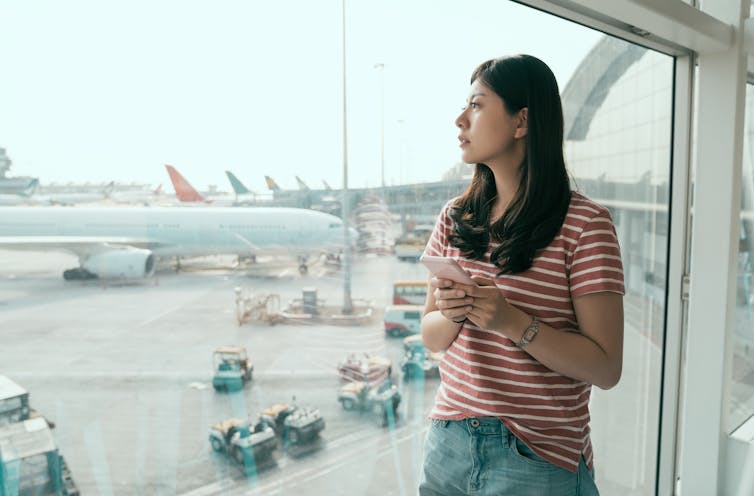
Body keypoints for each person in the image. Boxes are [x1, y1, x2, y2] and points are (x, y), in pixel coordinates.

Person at [419, 54, 625, 496]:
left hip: (534, 454)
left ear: (522, 121)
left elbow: (606, 367)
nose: (460, 120)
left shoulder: (586, 225)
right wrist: (455, 313)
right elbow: (432, 338)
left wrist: (510, 322)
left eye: (476, 105)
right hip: (448, 441)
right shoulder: (454, 216)